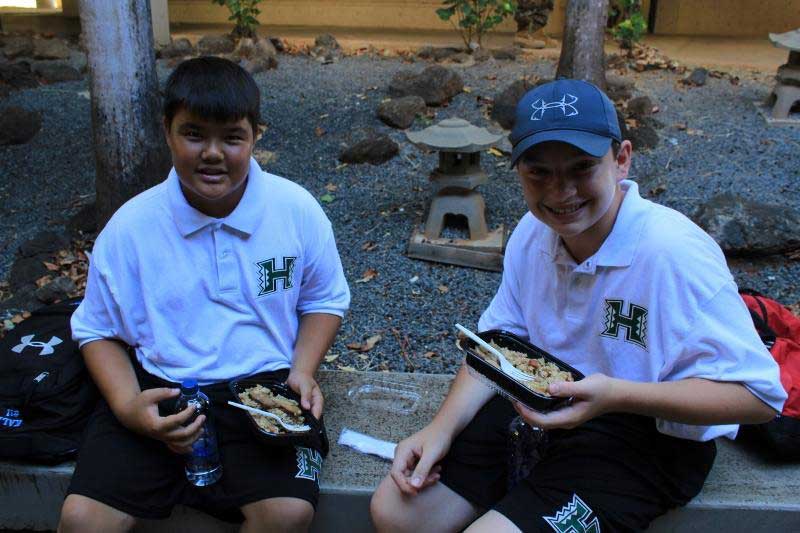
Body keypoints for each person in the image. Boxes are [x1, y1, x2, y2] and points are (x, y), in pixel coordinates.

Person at [370, 79, 787, 533]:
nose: (560, 192)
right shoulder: (532, 232)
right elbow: (500, 346)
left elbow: (758, 396)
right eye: (539, 173)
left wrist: (616, 396)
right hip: (541, 406)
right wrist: (441, 429)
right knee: (396, 511)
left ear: (622, 158)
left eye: (582, 167)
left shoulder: (673, 254)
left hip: (645, 436)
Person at [59, 57, 350, 533]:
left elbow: (323, 299)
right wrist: (128, 406)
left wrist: (302, 369)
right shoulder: (131, 227)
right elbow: (96, 329)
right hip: (159, 388)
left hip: (262, 395)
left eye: (232, 137)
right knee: (82, 519)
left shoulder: (295, 210)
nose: (212, 152)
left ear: (256, 135)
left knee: (286, 514)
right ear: (167, 132)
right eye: (193, 134)